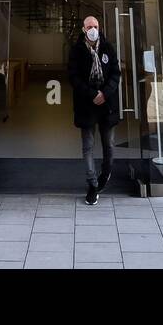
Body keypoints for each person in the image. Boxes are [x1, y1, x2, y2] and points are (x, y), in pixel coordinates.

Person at [69, 14, 121, 206]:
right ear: (83, 29)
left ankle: (104, 176)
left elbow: (116, 73)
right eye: (89, 26)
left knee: (109, 145)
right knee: (88, 147)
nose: (93, 29)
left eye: (96, 26)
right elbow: (73, 77)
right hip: (86, 104)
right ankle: (92, 184)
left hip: (107, 105)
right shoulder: (76, 51)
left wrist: (104, 94)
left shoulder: (108, 48)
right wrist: (92, 94)